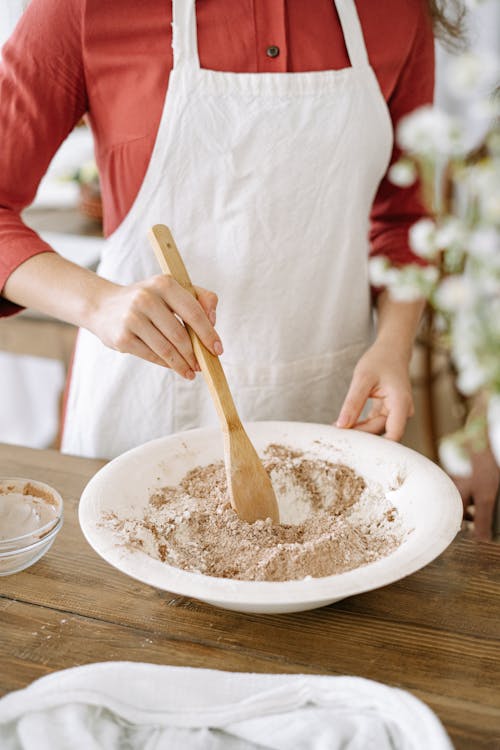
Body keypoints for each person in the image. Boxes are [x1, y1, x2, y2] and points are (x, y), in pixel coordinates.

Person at [0, 0, 443, 460]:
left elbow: (405, 221)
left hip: (332, 406)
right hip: (143, 413)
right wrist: (98, 303)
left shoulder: (396, 12)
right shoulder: (87, 8)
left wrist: (394, 345)